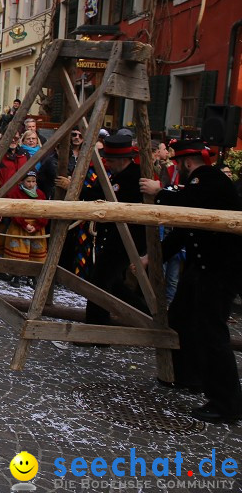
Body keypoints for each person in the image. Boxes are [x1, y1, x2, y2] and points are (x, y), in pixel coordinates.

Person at [139, 140, 242, 423]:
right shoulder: (201, 183)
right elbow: (186, 230)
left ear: (185, 162)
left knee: (212, 332)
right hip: (202, 267)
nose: (175, 168)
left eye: (176, 163)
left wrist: (159, 193)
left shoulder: (209, 180)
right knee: (182, 317)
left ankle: (226, 403)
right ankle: (189, 376)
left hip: (220, 270)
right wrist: (153, 258)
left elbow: (187, 206)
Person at [85, 134, 146, 327]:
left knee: (99, 283)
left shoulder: (133, 176)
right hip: (116, 237)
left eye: (110, 161)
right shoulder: (121, 175)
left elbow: (109, 198)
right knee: (113, 283)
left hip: (127, 238)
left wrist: (77, 189)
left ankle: (96, 329)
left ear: (122, 160)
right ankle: (147, 316)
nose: (108, 165)